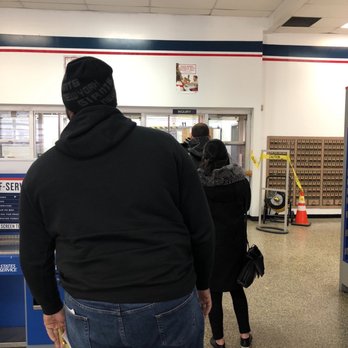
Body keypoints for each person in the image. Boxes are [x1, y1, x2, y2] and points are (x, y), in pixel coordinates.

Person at [19, 56, 215, 348]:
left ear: (68, 108)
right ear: (112, 99)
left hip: (88, 306)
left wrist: (50, 308)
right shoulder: (166, 150)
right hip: (169, 296)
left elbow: (35, 256)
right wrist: (203, 283)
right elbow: (201, 228)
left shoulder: (41, 172)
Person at [197, 139, 252, 348]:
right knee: (237, 289)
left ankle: (219, 340)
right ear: (225, 154)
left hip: (211, 244)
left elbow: (196, 212)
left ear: (205, 156)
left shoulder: (199, 182)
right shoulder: (239, 180)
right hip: (234, 240)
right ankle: (245, 336)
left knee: (215, 292)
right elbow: (245, 206)